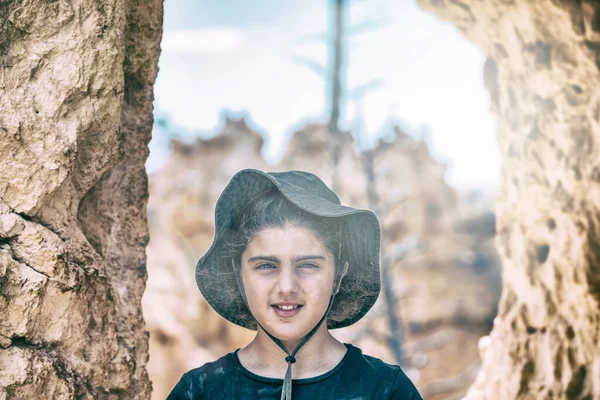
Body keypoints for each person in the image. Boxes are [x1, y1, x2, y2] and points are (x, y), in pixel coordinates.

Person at [167, 169, 422, 400]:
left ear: (338, 275)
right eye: (266, 265)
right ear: (239, 274)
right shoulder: (198, 391)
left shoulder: (386, 390)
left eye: (308, 265)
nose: (287, 287)